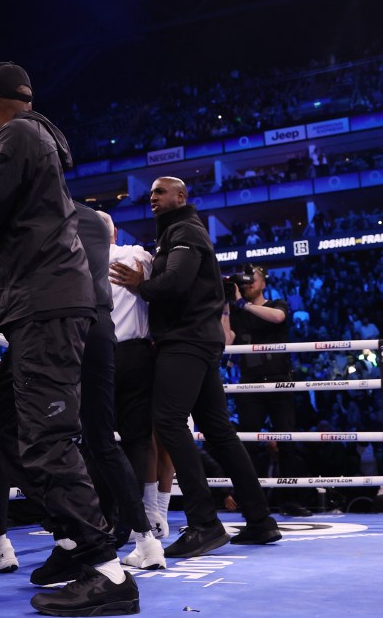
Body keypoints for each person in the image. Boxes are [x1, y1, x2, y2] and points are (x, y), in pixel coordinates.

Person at [0, 62, 138, 616]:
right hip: (43, 305)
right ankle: (72, 539)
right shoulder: (39, 138)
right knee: (4, 426)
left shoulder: (14, 136)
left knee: (47, 438)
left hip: (44, 307)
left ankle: (107, 570)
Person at [109, 176, 281, 559]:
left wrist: (140, 285)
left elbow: (176, 282)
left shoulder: (185, 229)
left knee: (167, 421)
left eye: (160, 191)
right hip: (197, 339)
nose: (152, 197)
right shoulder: (177, 230)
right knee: (219, 430)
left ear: (181, 196)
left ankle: (204, 523)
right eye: (150, 192)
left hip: (186, 340)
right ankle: (261, 520)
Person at [100, 210, 175, 542]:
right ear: (115, 232)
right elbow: (162, 287)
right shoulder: (136, 254)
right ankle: (142, 516)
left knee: (99, 440)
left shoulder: (78, 262)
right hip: (137, 355)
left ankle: (110, 516)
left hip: (99, 355)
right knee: (138, 439)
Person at [222, 264, 312, 517]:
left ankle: (289, 500)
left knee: (287, 442)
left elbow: (278, 318)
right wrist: (227, 306)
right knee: (246, 443)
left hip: (279, 380)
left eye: (253, 278)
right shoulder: (237, 311)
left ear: (264, 283)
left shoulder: (277, 304)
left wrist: (243, 305)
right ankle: (249, 500)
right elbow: (226, 341)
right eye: (245, 279)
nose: (248, 283)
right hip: (250, 383)